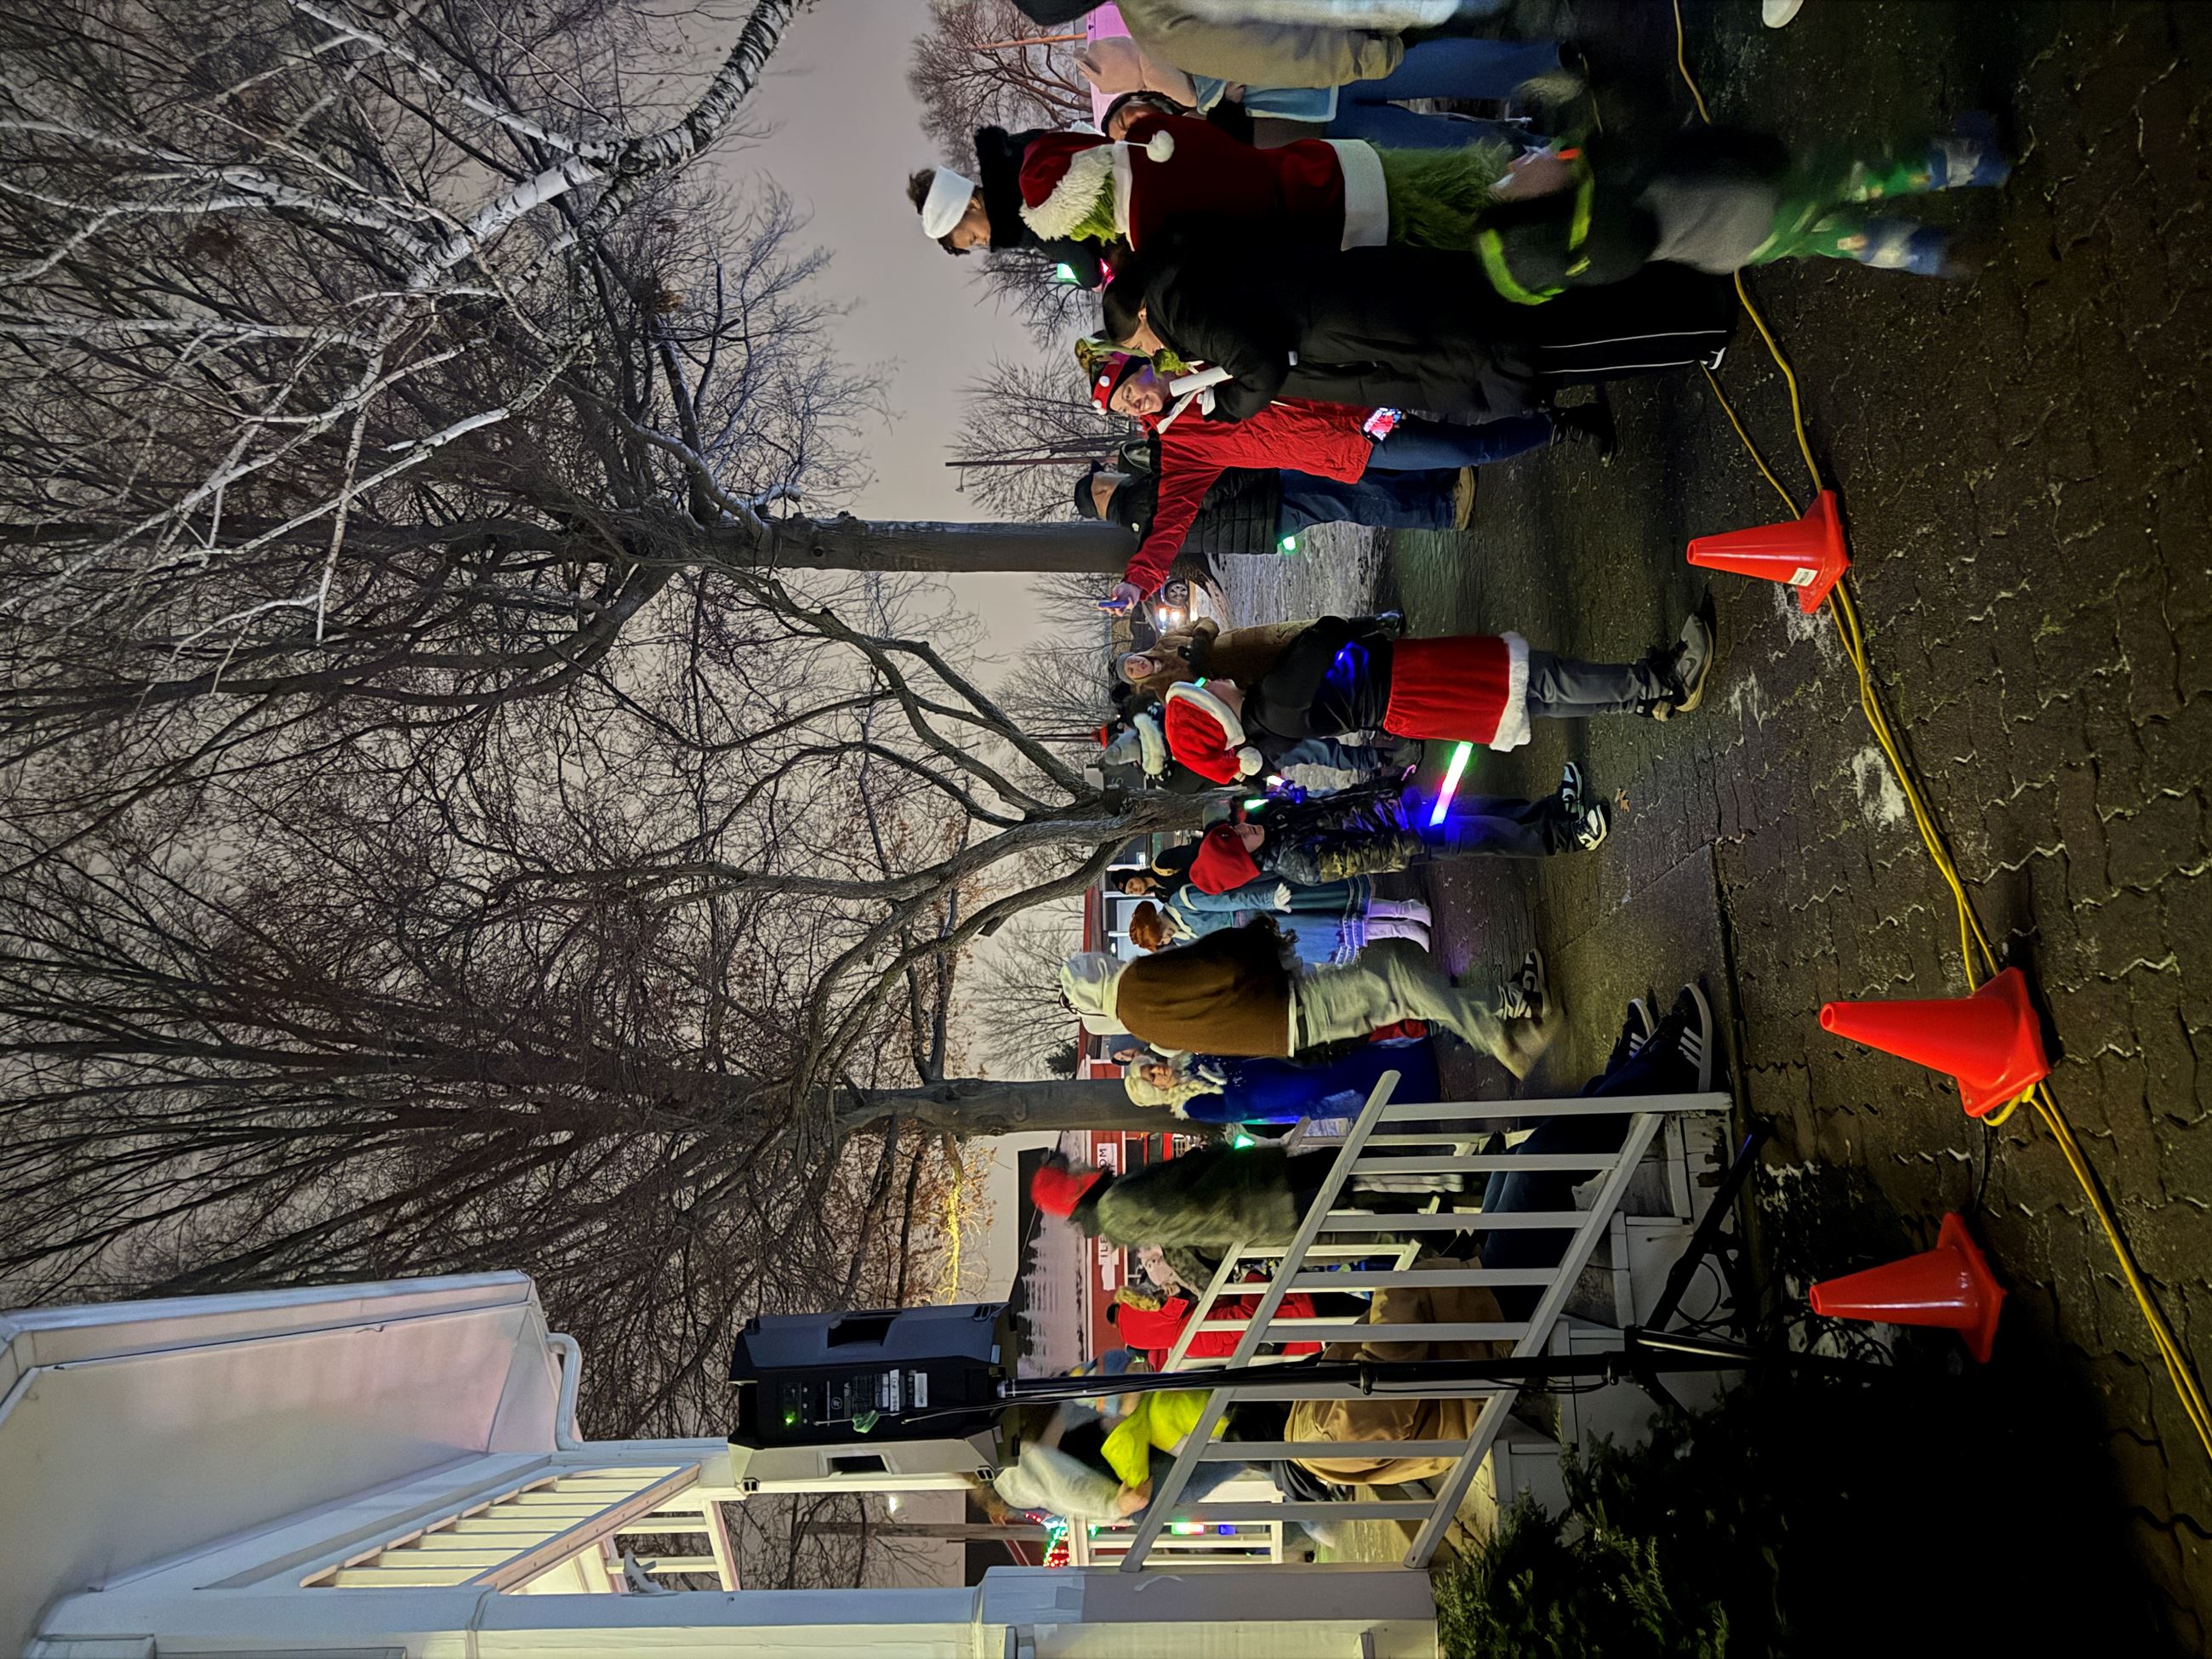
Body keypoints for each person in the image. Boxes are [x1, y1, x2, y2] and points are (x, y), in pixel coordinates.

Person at [1079, 348, 1592, 613]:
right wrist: (1138, 580)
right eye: (1124, 408)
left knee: (1462, 382)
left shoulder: (1198, 358)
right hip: (1353, 447)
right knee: (1466, 447)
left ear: (1141, 368)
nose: (1135, 405)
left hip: (1356, 389)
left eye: (1129, 391)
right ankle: (1563, 425)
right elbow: (1170, 521)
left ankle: (1562, 369)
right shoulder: (1181, 444)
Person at [1149, 613, 1718, 847]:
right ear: (1218, 716)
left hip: (1413, 695)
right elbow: (1325, 633)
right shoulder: (1272, 703)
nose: (1214, 680)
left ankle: (1639, 698)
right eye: (1207, 691)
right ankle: (1664, 682)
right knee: (1543, 680)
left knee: (1538, 697)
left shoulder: (1266, 718)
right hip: (1419, 683)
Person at [1100, 231, 1733, 426]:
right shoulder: (1187, 264)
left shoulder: (1182, 308)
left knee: (1553, 345)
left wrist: (1229, 407)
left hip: (1396, 332)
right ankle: (1681, 286)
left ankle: (1699, 328)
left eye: (1138, 346)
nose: (1150, 355)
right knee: (1547, 314)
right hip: (1384, 304)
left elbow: (1260, 363)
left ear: (1142, 315)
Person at [1468, 117, 2011, 300]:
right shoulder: (1617, 175)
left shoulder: (1595, 250)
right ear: (1549, 211)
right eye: (1512, 182)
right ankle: (1977, 159)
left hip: (1748, 243)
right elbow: (1693, 148)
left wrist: (1567, 162)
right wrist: (1755, 148)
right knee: (1867, 172)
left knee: (1846, 238)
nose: (1516, 164)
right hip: (1762, 192)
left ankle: (1932, 254)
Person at [1058, 925, 1549, 1075]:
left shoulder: (1142, 1027)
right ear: (1097, 969)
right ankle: (1497, 1037)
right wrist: (1258, 939)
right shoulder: (1139, 981)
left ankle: (1515, 1001)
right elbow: (1218, 966)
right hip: (1288, 1003)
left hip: (1288, 1034)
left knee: (1405, 997)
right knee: (1398, 972)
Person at [1078, 459, 1472, 553]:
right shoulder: (1140, 499)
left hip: (1261, 517)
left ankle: (1437, 486)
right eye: (1104, 475)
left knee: (1351, 488)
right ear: (1102, 491)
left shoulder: (1138, 519)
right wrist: (1254, 463)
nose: (1111, 470)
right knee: (1351, 496)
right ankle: (1443, 511)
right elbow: (1208, 492)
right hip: (1264, 502)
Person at [1124, 1038, 1440, 1124]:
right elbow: (1233, 1112)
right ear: (1158, 1091)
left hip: (1268, 1065)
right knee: (1332, 1081)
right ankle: (1415, 1082)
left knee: (1340, 1065)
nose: (1158, 1072)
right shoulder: (1191, 1106)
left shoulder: (1186, 1059)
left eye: (1152, 1068)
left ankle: (1408, 1059)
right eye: (1153, 1078)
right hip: (1268, 1093)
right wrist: (1228, 1081)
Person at [1129, 887, 1425, 963]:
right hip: (1265, 937)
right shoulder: (1183, 940)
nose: (1166, 939)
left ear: (1156, 920)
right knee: (1335, 933)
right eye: (1161, 942)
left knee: (1336, 908)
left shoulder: (1183, 901)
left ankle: (1405, 909)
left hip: (1268, 910)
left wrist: (1268, 897)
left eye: (1160, 934)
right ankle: (1403, 930)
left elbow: (1231, 899)